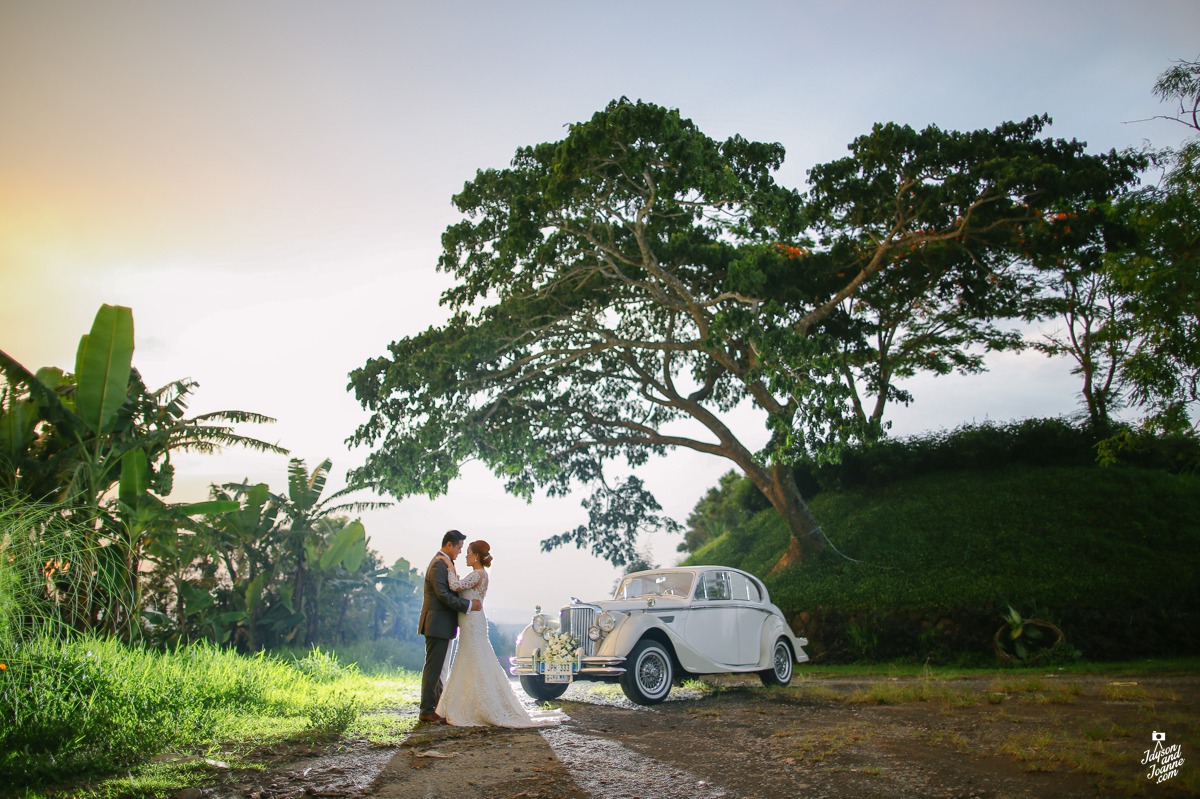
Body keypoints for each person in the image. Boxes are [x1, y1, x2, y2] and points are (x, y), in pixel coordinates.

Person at [436, 540, 568, 728]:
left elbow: (456, 586)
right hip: (471, 621)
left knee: (477, 660)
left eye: (468, 552)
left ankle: (483, 705)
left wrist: (449, 566)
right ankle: (468, 704)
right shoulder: (479, 574)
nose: (465, 555)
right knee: (471, 660)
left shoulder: (478, 574)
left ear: (475, 556)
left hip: (473, 622)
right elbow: (460, 587)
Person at [418, 530, 481, 724]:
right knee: (434, 668)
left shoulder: (445, 563)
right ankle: (426, 710)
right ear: (449, 545)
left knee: (438, 669)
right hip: (437, 623)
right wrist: (469, 605)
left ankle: (435, 707)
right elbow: (443, 596)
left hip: (441, 624)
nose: (460, 552)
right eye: (459, 548)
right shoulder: (438, 564)